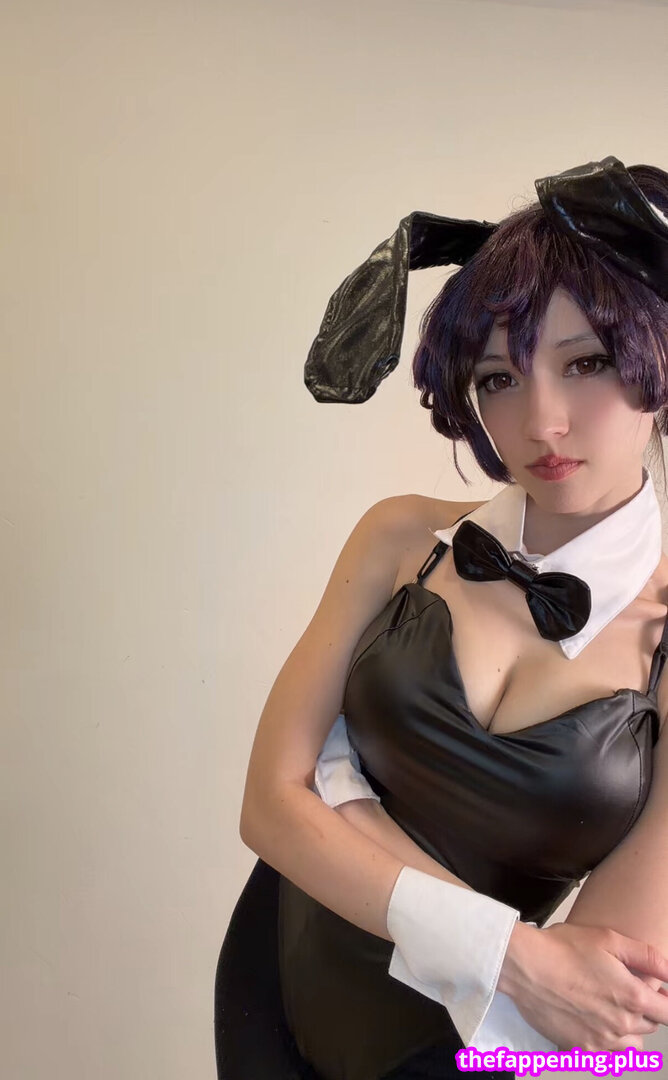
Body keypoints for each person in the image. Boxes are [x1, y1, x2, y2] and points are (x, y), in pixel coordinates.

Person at [227, 158, 668, 1080]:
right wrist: (511, 951)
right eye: (498, 378)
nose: (542, 421)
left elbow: (600, 996)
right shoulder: (402, 538)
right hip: (270, 979)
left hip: (479, 1051)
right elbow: (268, 807)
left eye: (585, 363)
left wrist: (338, 797)